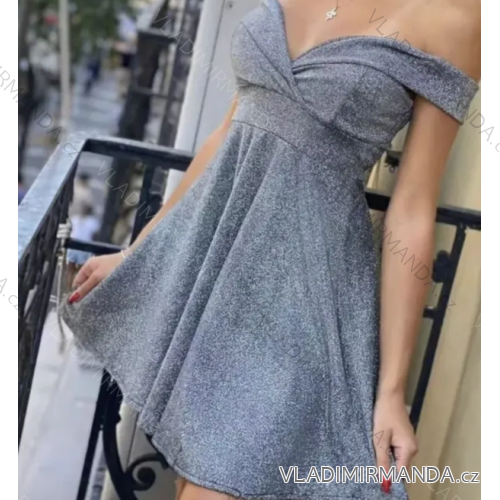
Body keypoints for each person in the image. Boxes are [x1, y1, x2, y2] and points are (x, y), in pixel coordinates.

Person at [61, 1, 480, 499]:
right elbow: (227, 136)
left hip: (300, 309)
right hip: (212, 289)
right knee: (196, 476)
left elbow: (411, 209)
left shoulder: (456, 18)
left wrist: (391, 392)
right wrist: (137, 253)